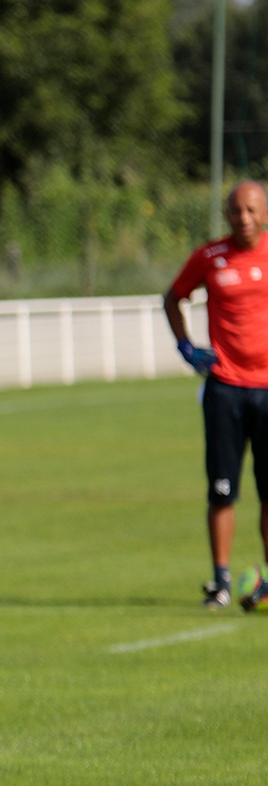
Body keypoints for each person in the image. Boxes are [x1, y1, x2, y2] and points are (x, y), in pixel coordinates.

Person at [164, 180, 268, 610]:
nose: (243, 218)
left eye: (250, 210)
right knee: (222, 489)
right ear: (227, 215)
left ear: (263, 213)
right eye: (235, 211)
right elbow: (173, 298)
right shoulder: (209, 257)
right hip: (225, 388)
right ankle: (221, 582)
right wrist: (187, 349)